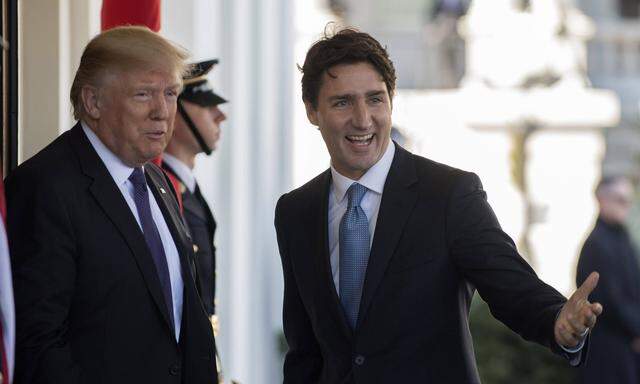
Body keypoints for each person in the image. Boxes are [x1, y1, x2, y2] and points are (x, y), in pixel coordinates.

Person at [274, 27, 602, 383]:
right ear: (312, 110)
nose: (363, 119)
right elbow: (304, 349)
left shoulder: (449, 195)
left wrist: (558, 322)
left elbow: (510, 286)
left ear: (391, 100)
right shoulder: (296, 212)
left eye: (374, 99)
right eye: (342, 102)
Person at [6, 26, 217, 384]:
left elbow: (186, 323)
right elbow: (38, 343)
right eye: (143, 94)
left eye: (170, 93)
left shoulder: (157, 180)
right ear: (92, 102)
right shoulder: (45, 187)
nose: (162, 112)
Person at [161, 59, 227, 320]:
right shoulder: (163, 188)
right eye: (206, 103)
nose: (221, 114)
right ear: (174, 113)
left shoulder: (185, 186)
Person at [576, 176, 640, 384]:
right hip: (607, 351)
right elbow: (609, 302)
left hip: (627, 346)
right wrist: (636, 330)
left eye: (628, 200)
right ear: (602, 199)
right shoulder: (596, 244)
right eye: (619, 199)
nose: (625, 205)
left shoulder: (622, 238)